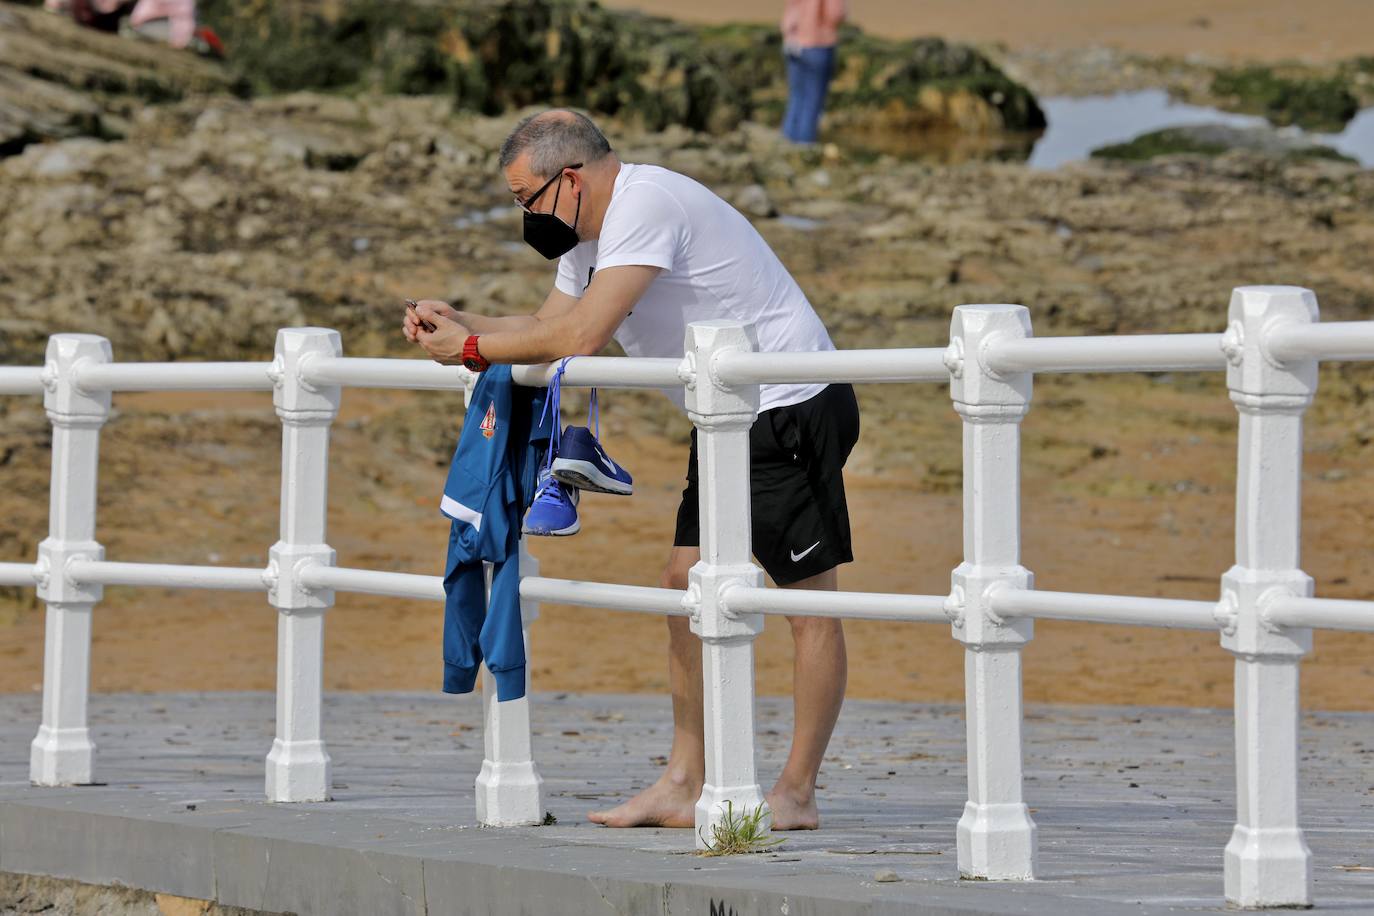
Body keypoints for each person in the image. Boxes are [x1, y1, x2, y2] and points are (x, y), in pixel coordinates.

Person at [403, 109, 859, 831]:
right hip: (724, 413)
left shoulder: (645, 204)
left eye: (527, 200)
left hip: (788, 403)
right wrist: (467, 324)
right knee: (683, 586)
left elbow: (583, 335)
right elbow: (545, 331)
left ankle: (797, 793)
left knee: (809, 604)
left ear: (571, 179)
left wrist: (472, 346)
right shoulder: (587, 234)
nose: (524, 216)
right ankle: (684, 780)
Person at [780, 0, 847, 144]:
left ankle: (785, 147)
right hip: (817, 44)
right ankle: (804, 151)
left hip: (792, 43)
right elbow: (835, 14)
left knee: (796, 99)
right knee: (812, 103)